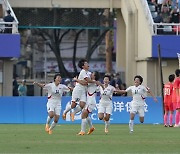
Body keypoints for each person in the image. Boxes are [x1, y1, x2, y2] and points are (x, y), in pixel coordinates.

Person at [75, 71, 100, 135]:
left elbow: (84, 83)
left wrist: (76, 79)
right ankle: (91, 127)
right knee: (85, 115)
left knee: (83, 115)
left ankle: (82, 131)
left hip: (91, 102)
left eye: (92, 74)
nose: (91, 75)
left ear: (94, 76)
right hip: (88, 101)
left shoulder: (93, 82)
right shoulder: (92, 82)